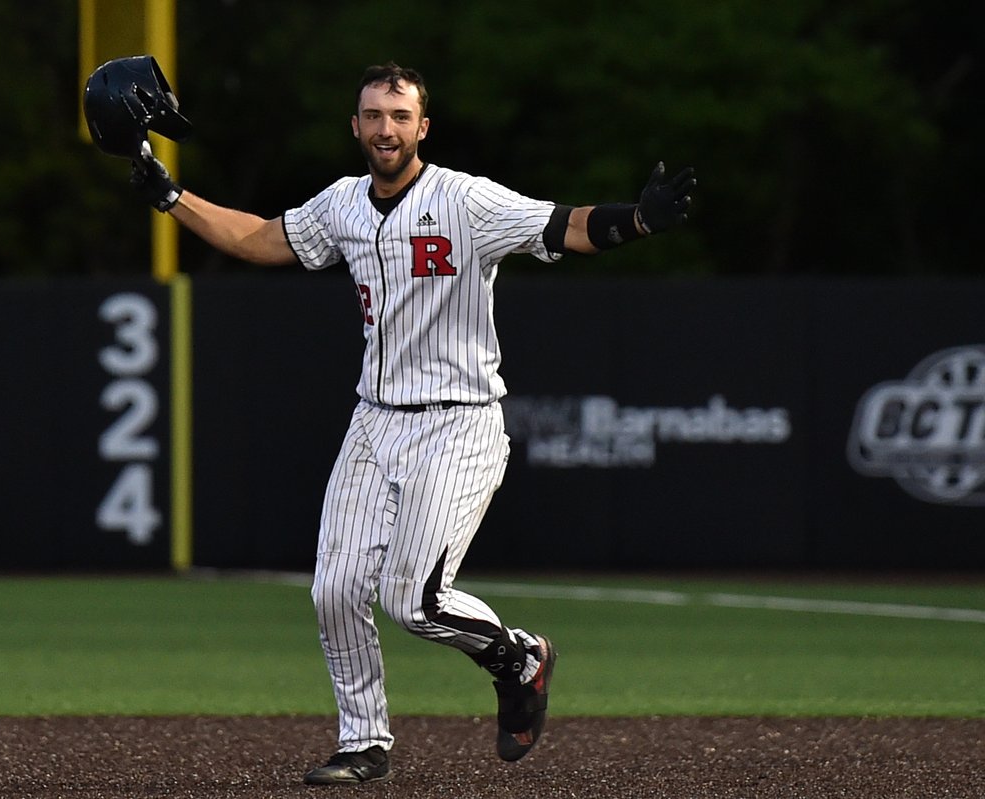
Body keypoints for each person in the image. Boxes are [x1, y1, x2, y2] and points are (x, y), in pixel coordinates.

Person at [129, 62, 694, 785]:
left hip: (459, 423)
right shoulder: (342, 205)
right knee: (333, 590)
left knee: (414, 599)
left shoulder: (465, 200)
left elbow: (563, 227)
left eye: (399, 115)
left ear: (422, 126)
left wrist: (638, 219)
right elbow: (261, 239)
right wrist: (172, 196)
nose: (385, 128)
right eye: (373, 115)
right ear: (356, 126)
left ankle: (521, 658)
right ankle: (364, 740)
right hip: (374, 420)